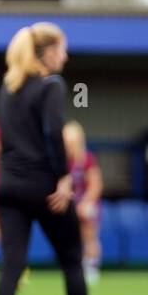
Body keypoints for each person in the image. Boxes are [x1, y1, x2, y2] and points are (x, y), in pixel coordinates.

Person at [0, 24, 111, 295]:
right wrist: (63, 177)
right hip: (43, 186)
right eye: (62, 49)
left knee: (11, 263)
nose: (66, 55)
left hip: (8, 185)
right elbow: (53, 133)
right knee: (72, 258)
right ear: (47, 52)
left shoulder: (8, 87)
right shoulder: (51, 85)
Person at [64, 121, 103, 284]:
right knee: (71, 238)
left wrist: (85, 203)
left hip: (86, 203)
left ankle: (91, 266)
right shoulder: (62, 161)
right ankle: (75, 266)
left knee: (89, 235)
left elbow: (96, 185)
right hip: (69, 204)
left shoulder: (86, 159)